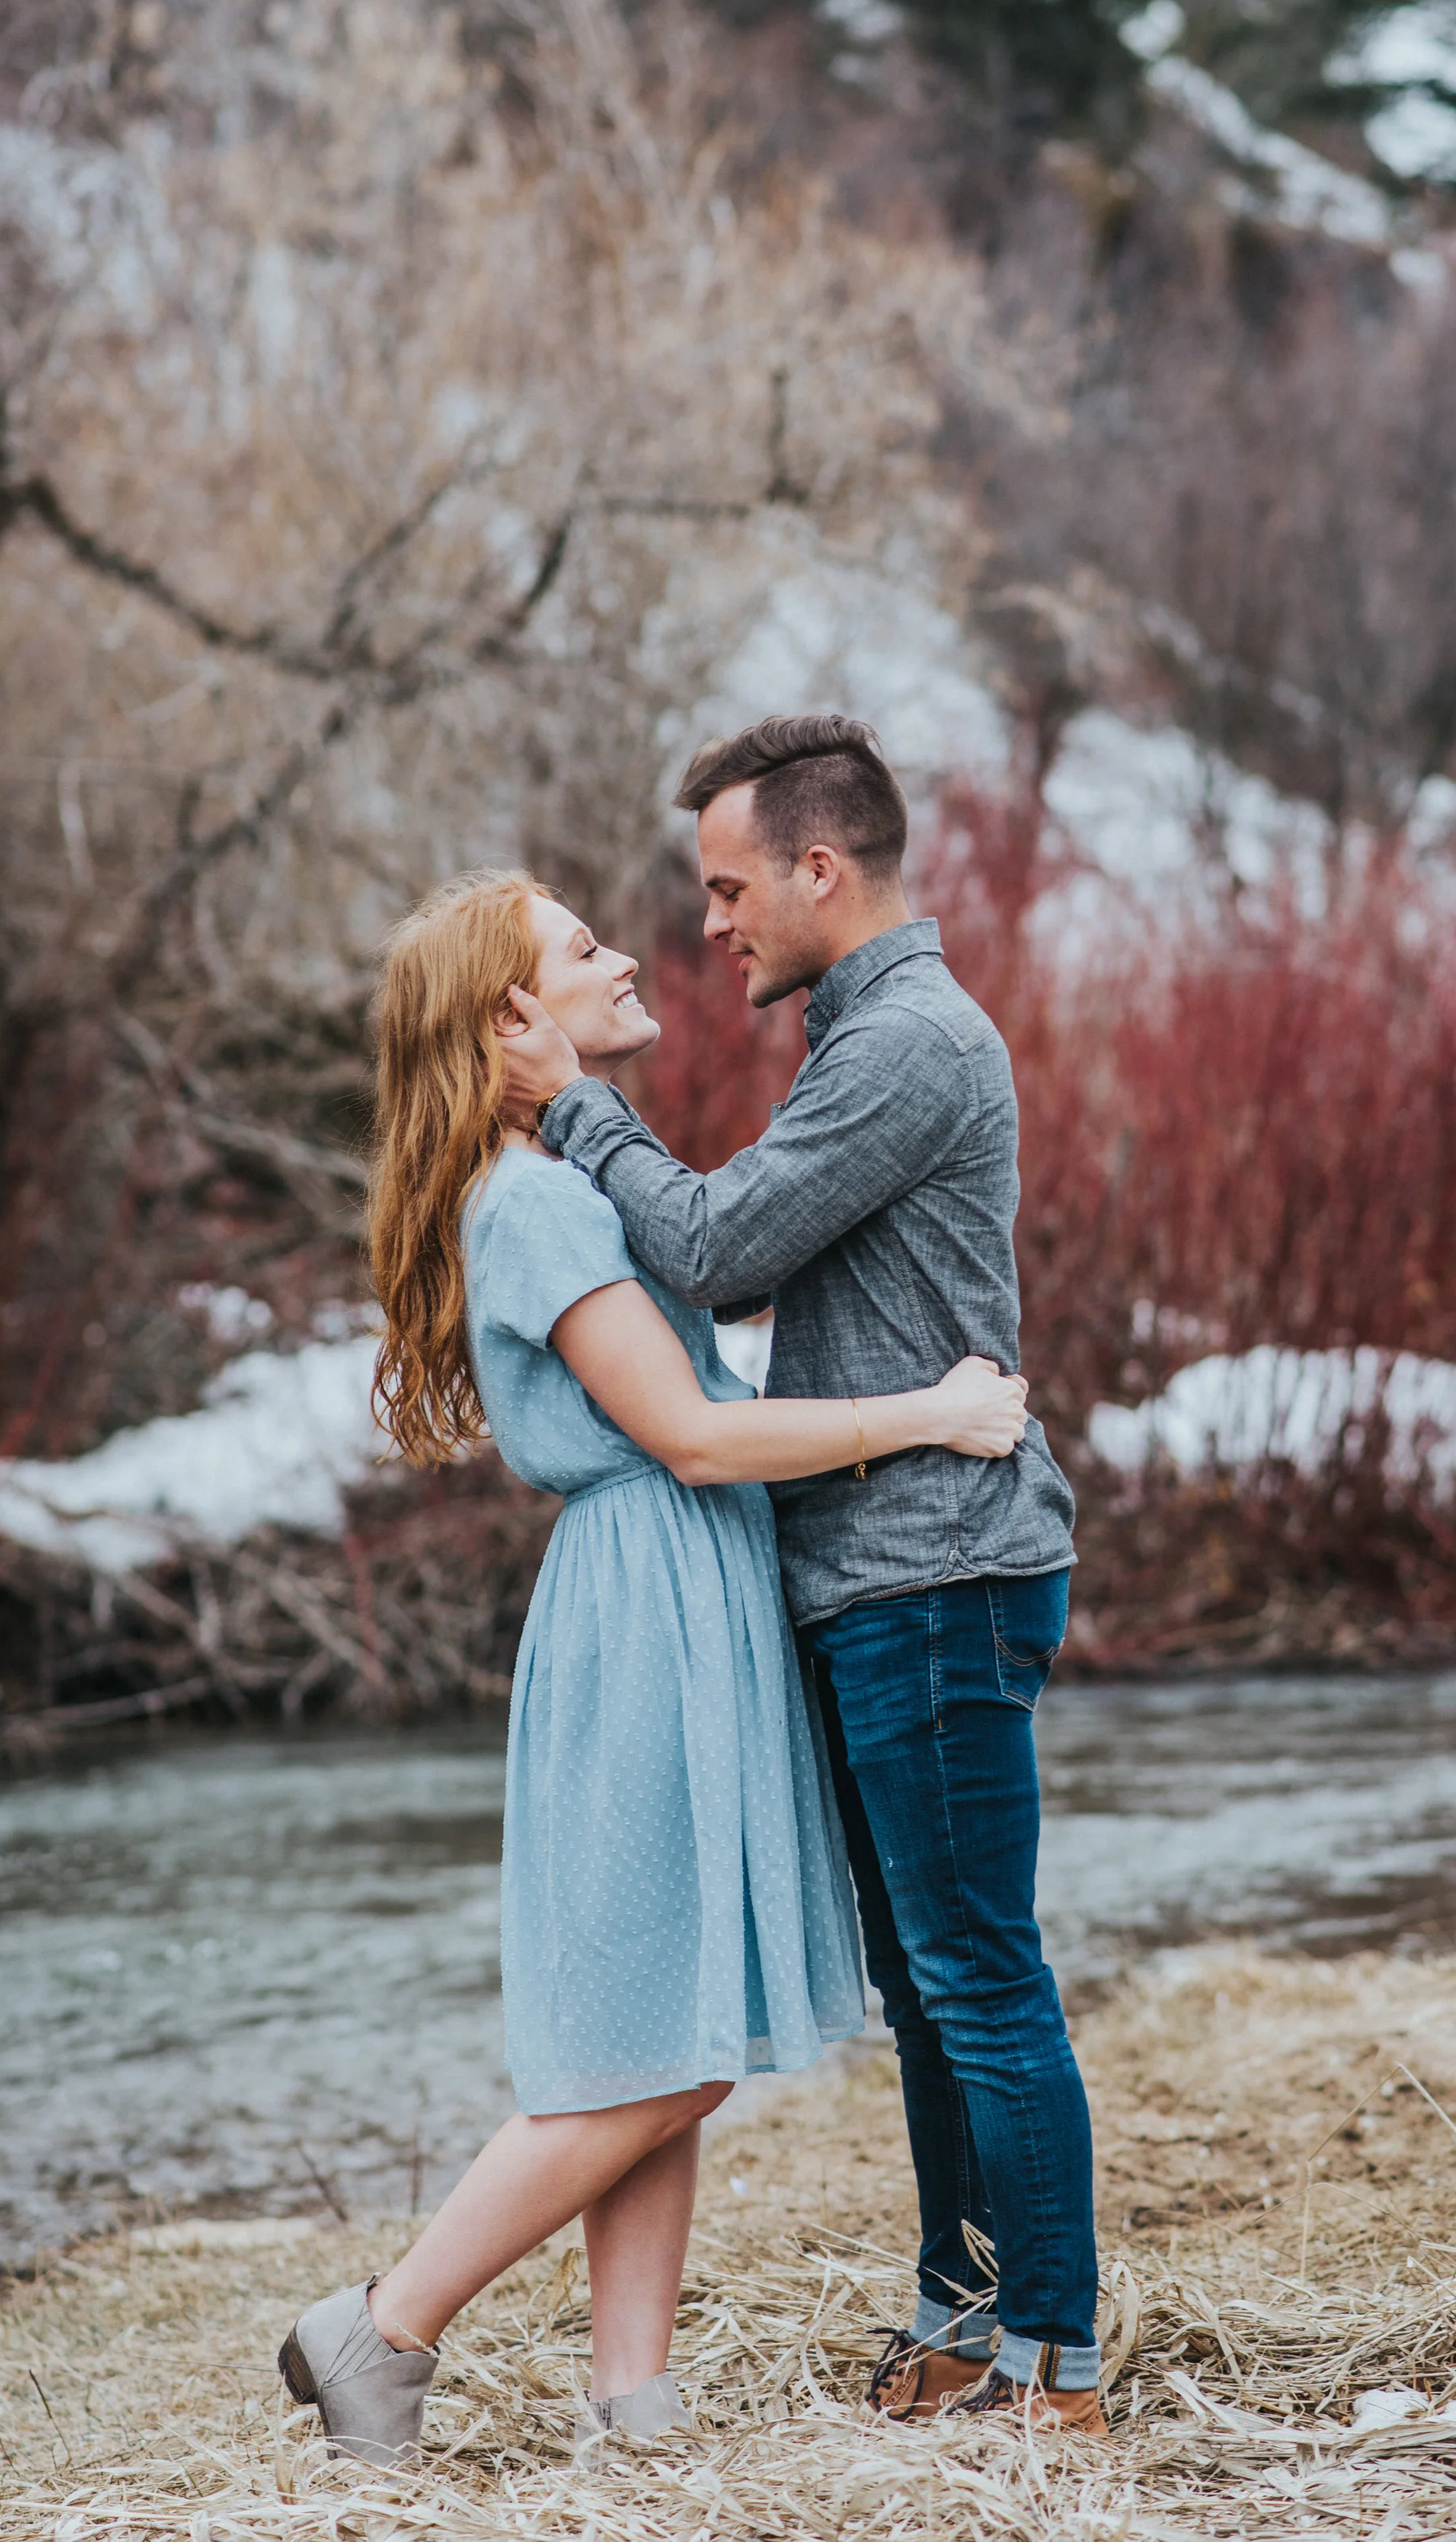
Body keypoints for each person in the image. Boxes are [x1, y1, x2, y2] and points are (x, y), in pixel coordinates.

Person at [278, 867, 1028, 2472]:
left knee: (653, 2028)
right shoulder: (539, 1200)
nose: (629, 956)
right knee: (659, 2047)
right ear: (511, 1019)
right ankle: (386, 2325)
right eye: (581, 948)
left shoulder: (532, 1180)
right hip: (652, 1601)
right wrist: (928, 1411)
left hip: (656, 1595)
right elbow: (688, 1435)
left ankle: (634, 2405)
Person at [499, 713, 1107, 2439]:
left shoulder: (906, 1041)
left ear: (819, 868)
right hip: (885, 1569)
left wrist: (577, 1110)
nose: (710, 925)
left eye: (727, 885)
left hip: (933, 1567)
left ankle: (1051, 2366)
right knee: (929, 1986)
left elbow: (714, 1246)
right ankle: (961, 2322)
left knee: (976, 1977)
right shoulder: (861, 1035)